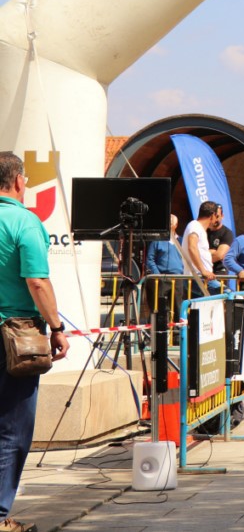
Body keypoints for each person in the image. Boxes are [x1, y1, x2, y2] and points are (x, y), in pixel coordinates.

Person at [0, 152, 69, 532]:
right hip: (15, 335)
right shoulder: (25, 221)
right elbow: (37, 281)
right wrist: (56, 327)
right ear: (19, 182)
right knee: (12, 428)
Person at [181, 200, 221, 294]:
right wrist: (203, 270)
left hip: (201, 277)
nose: (216, 220)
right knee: (229, 295)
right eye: (216, 217)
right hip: (199, 277)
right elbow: (192, 247)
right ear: (212, 215)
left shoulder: (198, 228)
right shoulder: (195, 226)